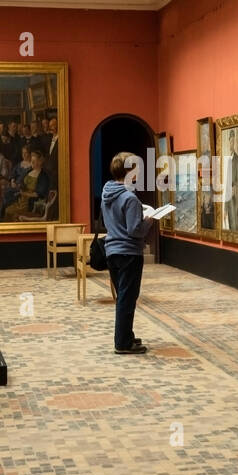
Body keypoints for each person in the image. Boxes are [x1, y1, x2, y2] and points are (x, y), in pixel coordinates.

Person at [101, 152, 153, 355]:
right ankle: (123, 343)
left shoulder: (107, 192)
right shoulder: (130, 198)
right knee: (127, 297)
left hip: (112, 251)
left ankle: (126, 335)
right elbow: (135, 230)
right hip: (129, 252)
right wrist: (149, 219)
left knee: (123, 296)